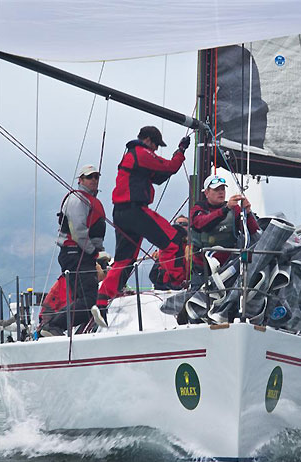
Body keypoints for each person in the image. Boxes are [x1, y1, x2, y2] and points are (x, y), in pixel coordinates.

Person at [93, 126, 190, 327]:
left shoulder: (133, 155)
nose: (155, 150)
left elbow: (160, 177)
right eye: (155, 145)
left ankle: (101, 302)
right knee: (174, 239)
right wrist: (181, 152)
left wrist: (176, 157)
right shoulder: (141, 152)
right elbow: (169, 167)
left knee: (124, 260)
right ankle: (177, 283)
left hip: (120, 213)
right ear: (148, 140)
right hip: (135, 211)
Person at [41, 164, 107, 336]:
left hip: (82, 255)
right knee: (89, 300)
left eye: (96, 177)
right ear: (81, 180)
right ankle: (52, 326)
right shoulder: (78, 200)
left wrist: (97, 254)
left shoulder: (89, 200)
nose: (94, 180)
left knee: (86, 298)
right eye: (89, 177)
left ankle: (59, 327)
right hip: (76, 254)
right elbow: (78, 232)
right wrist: (94, 252)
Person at [190, 174, 259, 287]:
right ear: (206, 193)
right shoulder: (198, 209)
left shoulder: (234, 209)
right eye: (216, 189)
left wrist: (248, 212)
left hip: (229, 267)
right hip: (203, 270)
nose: (221, 192)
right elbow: (202, 224)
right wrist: (226, 209)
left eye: (222, 189)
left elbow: (253, 231)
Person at [149, 214, 189, 290]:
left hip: (187, 283)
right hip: (169, 285)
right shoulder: (169, 243)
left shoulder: (193, 245)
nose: (180, 226)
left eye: (184, 224)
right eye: (177, 224)